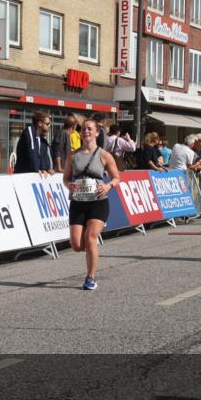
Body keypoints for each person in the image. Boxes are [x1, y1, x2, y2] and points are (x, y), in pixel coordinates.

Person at [63, 119, 121, 291]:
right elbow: (65, 178)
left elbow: (117, 178)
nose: (86, 132)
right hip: (78, 202)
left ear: (97, 132)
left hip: (98, 203)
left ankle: (90, 277)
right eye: (83, 129)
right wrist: (69, 185)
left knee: (90, 239)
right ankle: (91, 249)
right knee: (76, 245)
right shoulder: (72, 156)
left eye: (90, 129)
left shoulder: (104, 155)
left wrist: (108, 185)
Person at [13, 110, 54, 175]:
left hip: (31, 175)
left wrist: (44, 169)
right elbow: (32, 153)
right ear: (40, 123)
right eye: (47, 124)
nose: (49, 126)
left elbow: (40, 156)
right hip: (23, 175)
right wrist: (37, 170)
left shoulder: (39, 137)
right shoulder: (29, 131)